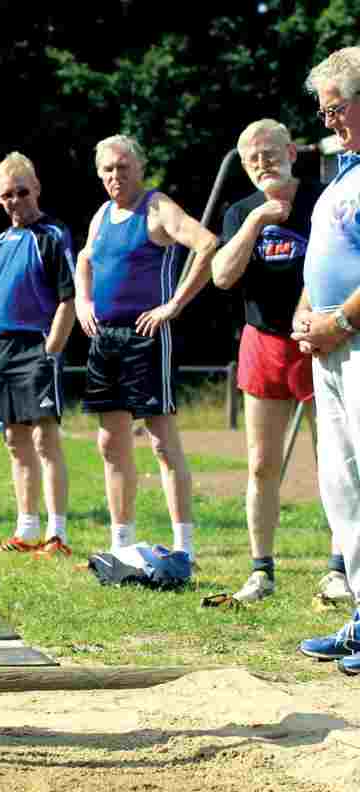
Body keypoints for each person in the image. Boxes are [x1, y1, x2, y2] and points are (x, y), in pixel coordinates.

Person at [211, 119, 344, 606]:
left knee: (335, 460)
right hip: (263, 340)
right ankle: (261, 570)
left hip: (321, 339)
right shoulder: (239, 212)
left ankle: (339, 569)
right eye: (252, 159)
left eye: (270, 153)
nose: (263, 163)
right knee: (263, 462)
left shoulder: (325, 199)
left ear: (290, 150)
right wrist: (256, 222)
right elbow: (223, 276)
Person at [74, 134, 218, 561]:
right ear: (100, 175)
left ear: (139, 167)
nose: (116, 176)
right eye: (108, 170)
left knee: (161, 442)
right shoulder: (101, 214)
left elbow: (207, 244)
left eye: (123, 167)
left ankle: (183, 548)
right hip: (105, 339)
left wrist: (173, 305)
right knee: (110, 442)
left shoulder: (156, 208)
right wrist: (83, 300)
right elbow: (84, 258)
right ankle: (121, 544)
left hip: (148, 337)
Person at [292, 47, 360, 673]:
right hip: (329, 345)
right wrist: (306, 312)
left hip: (357, 341)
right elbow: (322, 257)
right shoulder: (343, 173)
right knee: (341, 484)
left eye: (336, 108)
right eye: (324, 111)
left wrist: (339, 321)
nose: (328, 120)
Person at [0, 152, 76, 558]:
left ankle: (57, 535)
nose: (15, 200)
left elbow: (69, 299)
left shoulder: (53, 235)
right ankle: (25, 530)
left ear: (36, 188)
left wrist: (51, 350)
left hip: (36, 344)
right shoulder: (0, 242)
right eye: (6, 195)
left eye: (21, 191)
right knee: (15, 441)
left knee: (44, 438)